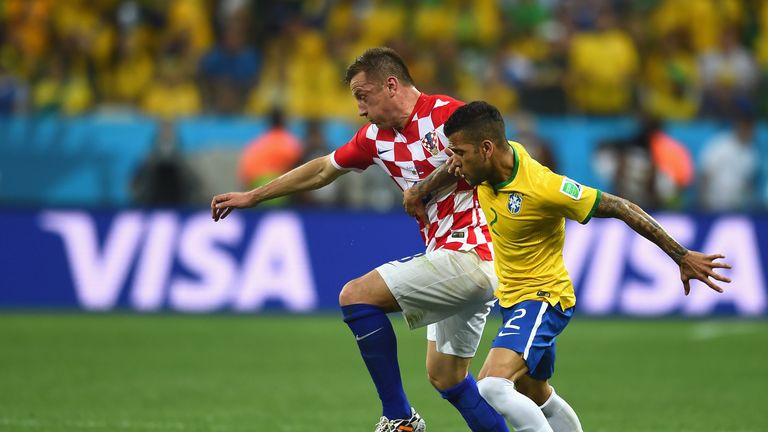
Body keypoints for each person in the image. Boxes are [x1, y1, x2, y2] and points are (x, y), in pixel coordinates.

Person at [211, 48, 508, 432]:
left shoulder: (448, 116)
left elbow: (483, 161)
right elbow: (322, 170)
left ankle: (399, 417)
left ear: (391, 85)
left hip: (474, 251)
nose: (360, 109)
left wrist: (422, 187)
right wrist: (254, 196)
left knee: (355, 296)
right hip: (455, 260)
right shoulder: (374, 139)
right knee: (447, 377)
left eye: (362, 96)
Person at [413, 101, 731, 431]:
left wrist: (680, 254)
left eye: (460, 153)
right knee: (535, 393)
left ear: (487, 149)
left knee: (492, 386)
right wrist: (422, 190)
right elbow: (450, 167)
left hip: (541, 298)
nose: (454, 162)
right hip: (512, 298)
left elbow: (621, 207)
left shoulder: (544, 188)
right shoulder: (492, 162)